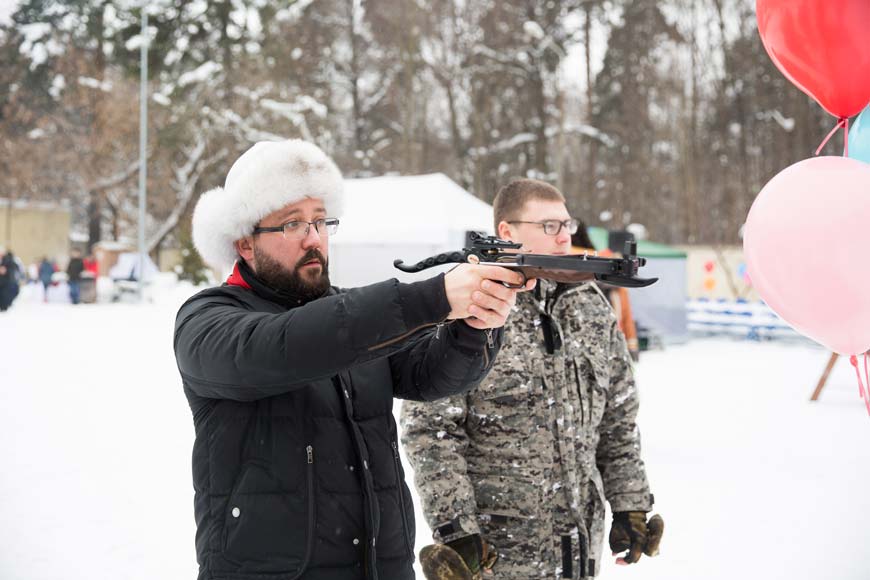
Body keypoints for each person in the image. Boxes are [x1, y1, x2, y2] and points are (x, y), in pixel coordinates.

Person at [173, 139, 534, 580]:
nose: (314, 238)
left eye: (321, 221)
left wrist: (474, 324)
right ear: (245, 243)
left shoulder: (352, 320)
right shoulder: (208, 319)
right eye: (292, 225)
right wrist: (432, 297)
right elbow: (286, 347)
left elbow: (430, 375)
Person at [401, 178, 663, 580]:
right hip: (499, 551)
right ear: (507, 232)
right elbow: (432, 430)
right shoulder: (470, 304)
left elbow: (617, 415)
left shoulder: (589, 302)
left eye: (566, 224)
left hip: (578, 546)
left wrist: (628, 501)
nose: (564, 238)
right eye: (549, 226)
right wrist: (456, 529)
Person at [570, 227, 640, 362]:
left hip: (614, 340)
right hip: (589, 342)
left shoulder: (619, 288)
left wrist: (632, 346)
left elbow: (626, 316)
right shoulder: (593, 266)